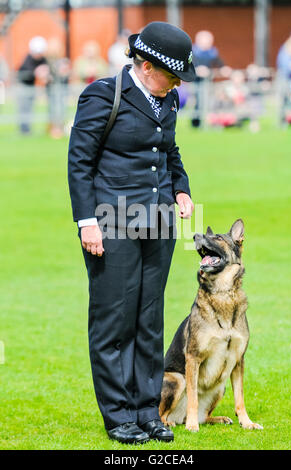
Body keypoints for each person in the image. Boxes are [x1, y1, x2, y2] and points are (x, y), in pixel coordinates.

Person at [68, 21, 195, 444]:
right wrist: (87, 222)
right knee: (113, 323)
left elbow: (170, 151)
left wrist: (181, 189)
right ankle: (118, 415)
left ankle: (147, 410)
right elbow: (80, 162)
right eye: (171, 75)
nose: (176, 84)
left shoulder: (169, 98)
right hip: (111, 222)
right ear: (144, 66)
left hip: (158, 223)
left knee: (149, 320)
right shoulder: (104, 94)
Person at [17, 36, 49, 134]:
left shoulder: (43, 59)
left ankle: (27, 129)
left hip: (32, 87)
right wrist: (37, 72)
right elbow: (26, 71)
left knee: (30, 108)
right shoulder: (28, 59)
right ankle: (24, 130)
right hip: (24, 87)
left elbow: (46, 69)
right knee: (24, 108)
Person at [46, 37, 71, 138]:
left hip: (61, 89)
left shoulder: (63, 61)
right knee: (52, 109)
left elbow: (67, 74)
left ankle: (60, 128)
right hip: (51, 89)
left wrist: (64, 72)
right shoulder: (47, 61)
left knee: (61, 108)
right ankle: (53, 128)